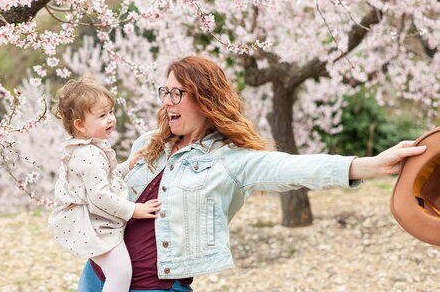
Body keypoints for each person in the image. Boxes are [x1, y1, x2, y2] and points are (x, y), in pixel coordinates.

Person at [77, 55, 428, 292]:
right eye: (165, 92)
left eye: (177, 93)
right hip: (99, 276)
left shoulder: (233, 161)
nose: (167, 101)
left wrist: (372, 164)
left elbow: (296, 167)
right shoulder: (149, 142)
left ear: (204, 99)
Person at [49, 76, 162, 292]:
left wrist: (128, 166)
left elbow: (106, 180)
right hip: (94, 227)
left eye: (110, 112)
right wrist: (134, 210)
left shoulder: (89, 148)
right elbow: (100, 197)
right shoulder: (89, 155)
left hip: (94, 223)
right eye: (102, 115)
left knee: (117, 271)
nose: (111, 119)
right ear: (80, 125)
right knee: (120, 272)